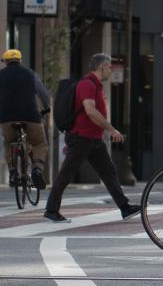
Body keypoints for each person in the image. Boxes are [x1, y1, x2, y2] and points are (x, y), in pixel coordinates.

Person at [44, 53, 140, 222]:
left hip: (94, 139)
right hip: (81, 138)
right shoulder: (87, 84)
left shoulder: (96, 85)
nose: (110, 70)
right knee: (66, 174)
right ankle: (51, 210)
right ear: (102, 66)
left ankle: (125, 208)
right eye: (109, 67)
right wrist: (111, 130)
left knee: (108, 172)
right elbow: (90, 110)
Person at [0, 49, 51, 190]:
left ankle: (12, 172)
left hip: (7, 117)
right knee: (38, 142)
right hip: (30, 115)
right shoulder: (31, 74)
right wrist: (46, 109)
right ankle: (37, 169)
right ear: (20, 60)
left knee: (9, 142)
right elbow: (44, 94)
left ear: (5, 62)